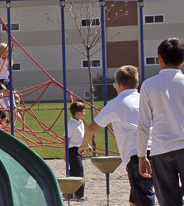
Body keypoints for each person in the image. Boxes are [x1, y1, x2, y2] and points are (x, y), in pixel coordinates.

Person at [79, 65, 155, 206]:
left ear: (118, 85)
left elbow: (91, 128)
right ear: (137, 84)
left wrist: (83, 145)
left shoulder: (116, 103)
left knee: (144, 196)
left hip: (137, 155)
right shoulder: (146, 100)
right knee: (136, 196)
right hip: (158, 151)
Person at [138, 37, 184, 205]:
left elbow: (143, 125)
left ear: (160, 59)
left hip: (161, 150)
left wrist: (142, 155)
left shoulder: (149, 85)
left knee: (169, 201)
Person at [66, 102, 85, 200]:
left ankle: (69, 192)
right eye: (83, 112)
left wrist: (86, 145)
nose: (85, 113)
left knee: (74, 171)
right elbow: (66, 139)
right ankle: (79, 194)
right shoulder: (71, 125)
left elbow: (81, 136)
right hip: (72, 150)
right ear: (77, 113)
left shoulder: (80, 123)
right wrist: (65, 154)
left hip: (79, 149)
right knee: (79, 171)